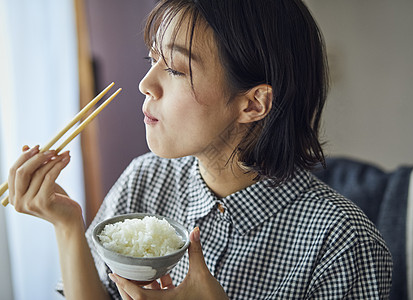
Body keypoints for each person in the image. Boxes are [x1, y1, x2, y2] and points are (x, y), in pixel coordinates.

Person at [7, 0, 393, 299]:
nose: (145, 83)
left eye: (174, 69)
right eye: (151, 59)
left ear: (253, 103)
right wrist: (67, 224)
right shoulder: (145, 178)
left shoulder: (342, 243)